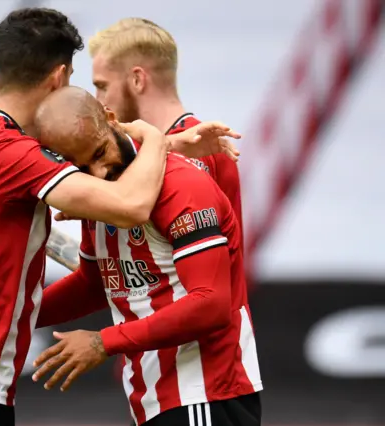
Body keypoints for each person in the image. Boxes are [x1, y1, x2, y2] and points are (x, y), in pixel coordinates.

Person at [0, 7, 241, 426]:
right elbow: (130, 205)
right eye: (80, 82)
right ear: (58, 78)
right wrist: (154, 140)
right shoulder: (16, 154)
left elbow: (100, 163)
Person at [32, 86, 262, 426]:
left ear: (111, 120)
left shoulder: (181, 184)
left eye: (100, 152)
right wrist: (16, 314)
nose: (99, 173)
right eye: (82, 167)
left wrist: (102, 342)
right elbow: (96, 285)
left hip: (205, 394)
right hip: (154, 399)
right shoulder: (99, 198)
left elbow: (210, 303)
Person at [89, 18, 243, 238]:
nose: (98, 101)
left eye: (103, 86)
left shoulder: (200, 151)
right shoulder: (139, 149)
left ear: (137, 80)